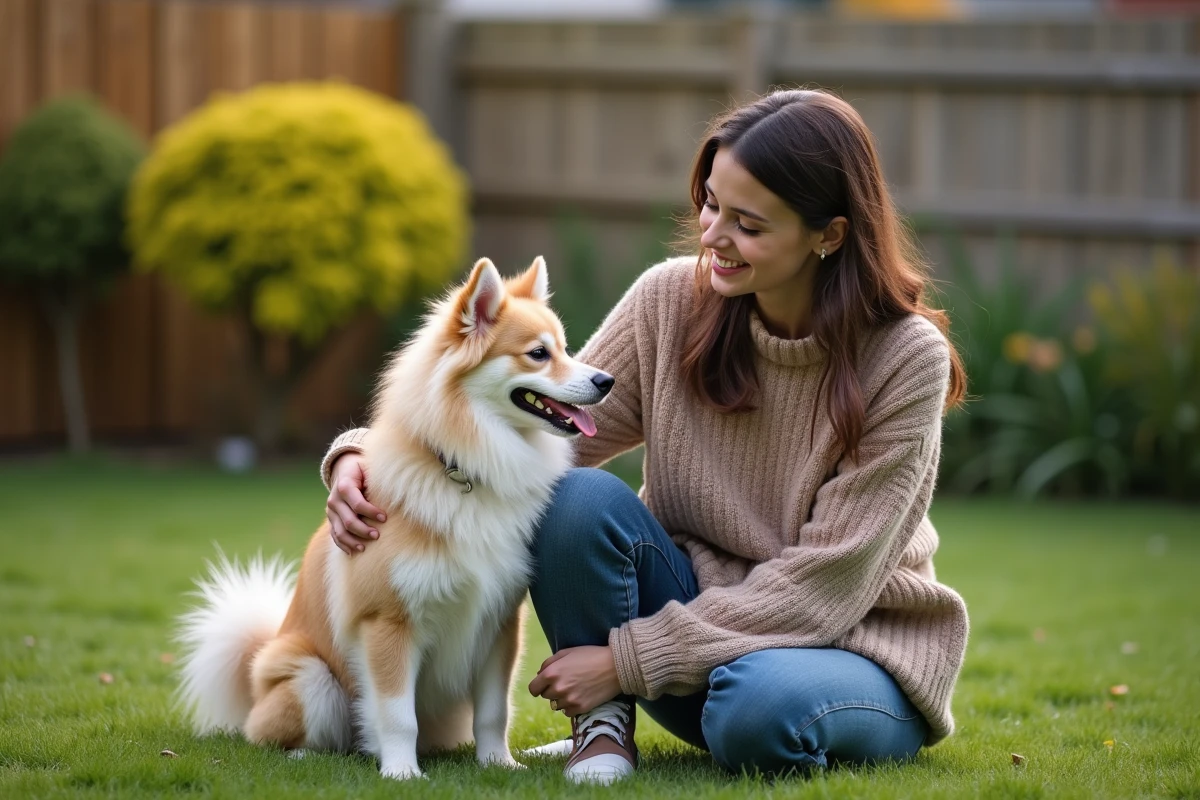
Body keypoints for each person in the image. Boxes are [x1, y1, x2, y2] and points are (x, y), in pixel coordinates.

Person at [320, 88, 969, 784]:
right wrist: (362, 455)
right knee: (574, 500)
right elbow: (534, 429)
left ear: (829, 235)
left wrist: (626, 661)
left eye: (748, 223)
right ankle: (603, 733)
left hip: (854, 649)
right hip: (697, 639)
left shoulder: (904, 358)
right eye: (711, 203)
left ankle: (701, 705)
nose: (713, 236)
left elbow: (825, 584)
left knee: (754, 707)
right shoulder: (670, 300)